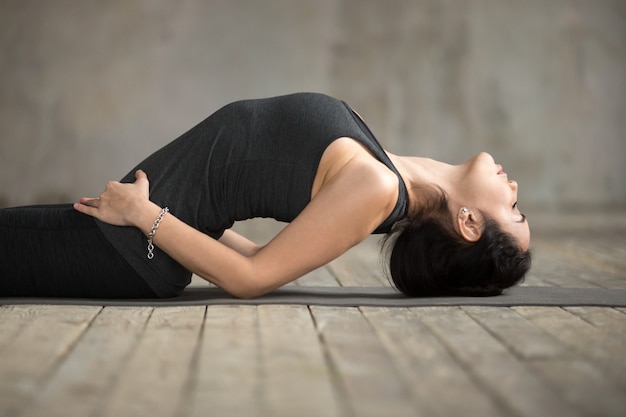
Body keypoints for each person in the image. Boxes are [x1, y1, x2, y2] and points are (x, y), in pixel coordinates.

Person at [0, 92, 531, 299]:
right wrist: (168, 217)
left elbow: (250, 279)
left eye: (514, 210)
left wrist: (145, 215)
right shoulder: (389, 173)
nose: (512, 188)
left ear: (468, 223)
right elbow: (258, 257)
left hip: (126, 255)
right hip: (124, 244)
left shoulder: (377, 187)